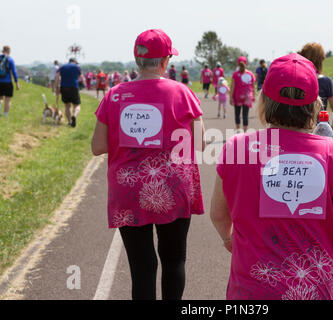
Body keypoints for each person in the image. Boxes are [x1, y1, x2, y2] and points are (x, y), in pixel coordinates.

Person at [211, 53, 333, 300]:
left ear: (264, 100)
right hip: (312, 289)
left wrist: (229, 239)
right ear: (315, 104)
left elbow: (219, 215)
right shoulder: (332, 153)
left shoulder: (237, 148)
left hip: (252, 289)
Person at [91, 29, 206, 300]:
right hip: (173, 187)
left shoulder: (115, 96)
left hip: (128, 189)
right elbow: (199, 144)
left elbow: (97, 147)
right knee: (174, 259)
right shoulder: (183, 93)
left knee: (142, 268)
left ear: (136, 59)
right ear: (165, 61)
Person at [299, 43, 333, 130]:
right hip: (319, 128)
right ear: (320, 61)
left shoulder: (297, 79)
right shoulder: (326, 81)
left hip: (300, 127)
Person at [230, 56, 255, 133]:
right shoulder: (250, 74)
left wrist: (231, 97)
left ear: (238, 63)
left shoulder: (235, 74)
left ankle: (238, 131)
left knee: (237, 114)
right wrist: (253, 95)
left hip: (238, 96)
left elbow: (232, 86)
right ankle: (245, 132)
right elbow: (253, 86)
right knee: (245, 115)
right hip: (247, 96)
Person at [55, 58, 81, 127]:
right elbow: (80, 77)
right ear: (74, 62)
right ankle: (74, 116)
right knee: (77, 105)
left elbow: (57, 77)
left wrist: (56, 87)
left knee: (67, 106)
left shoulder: (62, 67)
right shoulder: (77, 67)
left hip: (64, 87)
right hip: (74, 87)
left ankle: (70, 121)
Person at [0, 46, 20, 117]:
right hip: (7, 81)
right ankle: (5, 115)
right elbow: (14, 72)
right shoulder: (10, 59)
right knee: (8, 99)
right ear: (8, 51)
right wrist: (17, 82)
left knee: (0, 98)